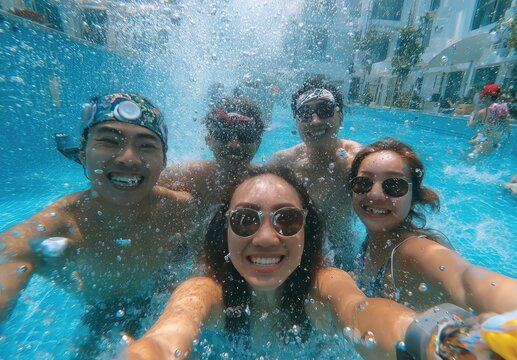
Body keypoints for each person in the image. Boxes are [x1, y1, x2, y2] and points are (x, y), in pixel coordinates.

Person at [122, 167, 495, 360]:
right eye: (245, 220)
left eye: (286, 220)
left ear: (306, 231)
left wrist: (434, 340)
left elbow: (362, 310)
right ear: (225, 232)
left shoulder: (325, 285)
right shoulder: (205, 292)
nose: (266, 238)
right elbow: (166, 337)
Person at [0, 93, 195, 356]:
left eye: (146, 145)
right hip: (100, 311)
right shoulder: (55, 226)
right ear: (83, 152)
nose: (129, 158)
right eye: (109, 141)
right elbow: (10, 254)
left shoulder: (180, 209)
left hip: (163, 299)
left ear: (164, 161)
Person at [349, 138, 517, 313]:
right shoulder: (374, 238)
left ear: (414, 196)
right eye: (363, 182)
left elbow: (466, 280)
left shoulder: (415, 251)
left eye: (394, 186)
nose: (374, 195)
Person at [268, 77, 362, 271]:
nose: (315, 121)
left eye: (325, 110)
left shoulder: (358, 160)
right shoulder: (283, 163)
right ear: (297, 122)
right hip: (294, 248)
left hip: (342, 250)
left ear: (340, 116)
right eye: (305, 114)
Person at [158, 97, 265, 256]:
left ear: (258, 143)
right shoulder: (189, 176)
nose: (234, 145)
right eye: (223, 135)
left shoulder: (268, 183)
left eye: (245, 135)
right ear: (209, 140)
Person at [467, 84, 511, 161]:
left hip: (488, 141)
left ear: (487, 97)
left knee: (470, 158)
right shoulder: (502, 108)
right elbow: (507, 129)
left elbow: (472, 127)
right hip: (492, 141)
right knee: (471, 154)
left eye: (483, 96)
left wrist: (472, 116)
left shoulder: (484, 111)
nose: (482, 99)